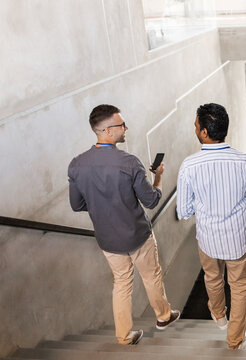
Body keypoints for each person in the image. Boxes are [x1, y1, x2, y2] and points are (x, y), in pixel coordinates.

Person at [68, 104, 179, 345]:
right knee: (151, 276)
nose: (125, 128)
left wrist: (102, 206)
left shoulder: (76, 164)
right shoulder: (129, 162)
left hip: (108, 239)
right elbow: (151, 200)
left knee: (121, 283)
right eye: (121, 125)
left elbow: (77, 205)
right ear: (107, 130)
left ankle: (124, 335)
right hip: (138, 235)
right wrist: (158, 177)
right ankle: (163, 316)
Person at [177, 103, 246, 350]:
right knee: (239, 286)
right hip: (238, 239)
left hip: (208, 239)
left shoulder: (189, 166)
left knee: (213, 277)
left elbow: (183, 211)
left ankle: (219, 317)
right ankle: (235, 339)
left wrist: (205, 203)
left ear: (204, 132)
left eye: (196, 125)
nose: (194, 128)